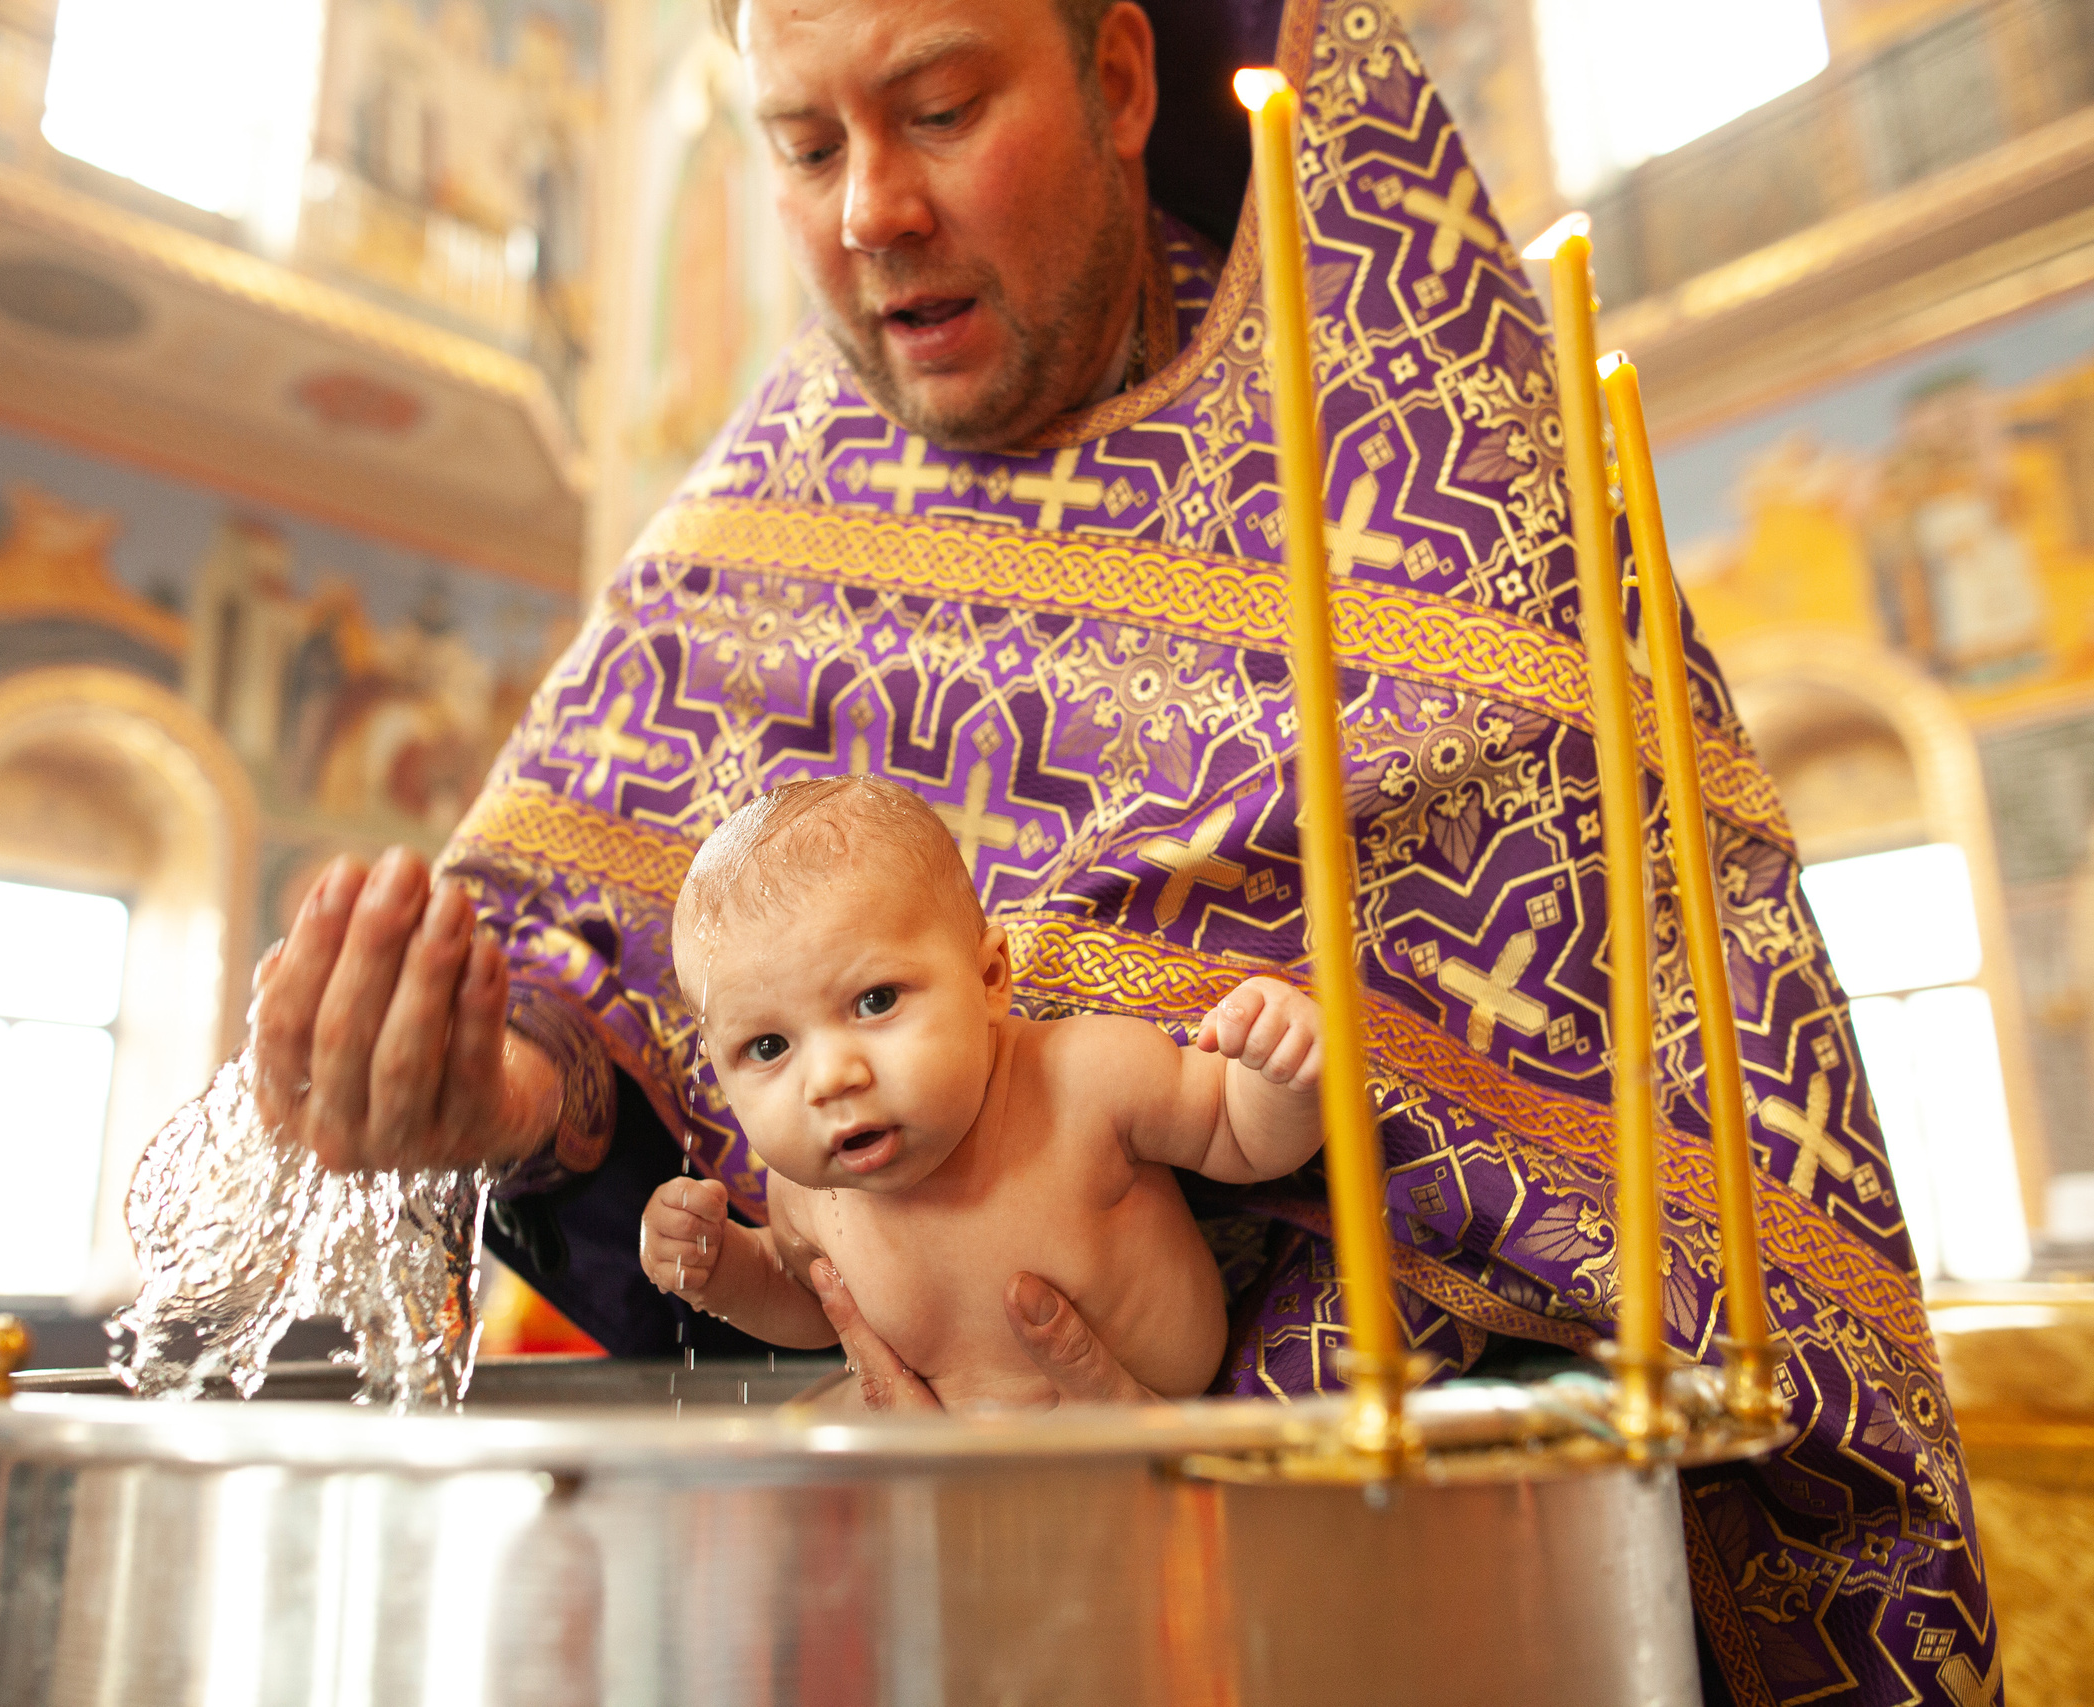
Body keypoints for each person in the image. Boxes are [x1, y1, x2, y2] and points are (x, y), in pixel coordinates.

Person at [235, 0, 1994, 1696]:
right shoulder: (746, 543)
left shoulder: (1432, 486)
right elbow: (604, 1030)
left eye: (939, 109)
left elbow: (1688, 1202)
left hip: (1422, 1598)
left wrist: (1215, 1415)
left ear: (1124, 77)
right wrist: (510, 1091)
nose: (870, 210)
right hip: (906, 1604)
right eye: (802, 141)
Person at [637, 777, 1321, 1406]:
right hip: (954, 1476)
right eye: (768, 1047)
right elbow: (811, 1304)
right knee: (786, 1449)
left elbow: (1237, 1131)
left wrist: (1281, 1071)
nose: (829, 1078)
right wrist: (722, 1266)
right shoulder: (807, 1196)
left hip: (1155, 1443)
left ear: (990, 977)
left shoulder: (1085, 1079)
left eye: (874, 1000)